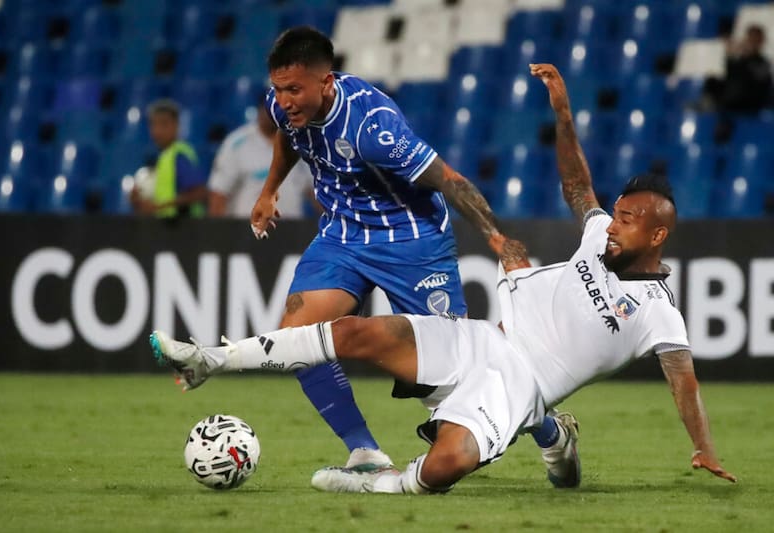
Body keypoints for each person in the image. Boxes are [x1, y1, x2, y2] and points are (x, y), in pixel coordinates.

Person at [149, 63, 736, 494]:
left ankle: (393, 479)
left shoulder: (659, 311)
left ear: (657, 237)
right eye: (618, 213)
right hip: (487, 337)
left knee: (443, 467)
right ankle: (210, 359)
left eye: (629, 221)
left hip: (519, 387)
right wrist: (561, 113)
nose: (614, 226)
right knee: (356, 332)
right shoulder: (596, 230)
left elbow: (684, 385)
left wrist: (704, 449)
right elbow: (578, 186)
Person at [231, 25, 524, 472]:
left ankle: (547, 427)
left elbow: (449, 180)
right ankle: (364, 451)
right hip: (345, 233)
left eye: (294, 89)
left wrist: (496, 237)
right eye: (278, 89)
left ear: (326, 82)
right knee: (295, 339)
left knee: (454, 371)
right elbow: (290, 140)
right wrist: (270, 190)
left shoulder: (374, 128)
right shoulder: (283, 106)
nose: (284, 100)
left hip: (411, 239)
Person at [207, 97, 314, 218]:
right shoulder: (236, 144)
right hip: (246, 231)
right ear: (260, 109)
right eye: (271, 107)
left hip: (293, 231)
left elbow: (315, 191)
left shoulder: (301, 141)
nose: (275, 112)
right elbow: (219, 194)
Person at [131, 99, 208, 218]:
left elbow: (199, 193)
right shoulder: (162, 157)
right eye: (153, 124)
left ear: (176, 126)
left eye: (164, 124)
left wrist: (159, 207)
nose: (157, 131)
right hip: (167, 230)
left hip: (186, 230)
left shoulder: (179, 155)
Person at [701, 24, 773, 114]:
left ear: (761, 41)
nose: (753, 42)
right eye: (751, 38)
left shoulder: (763, 63)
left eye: (756, 39)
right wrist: (731, 56)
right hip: (726, 106)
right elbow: (719, 80)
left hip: (750, 108)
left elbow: (758, 83)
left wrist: (746, 57)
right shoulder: (736, 62)